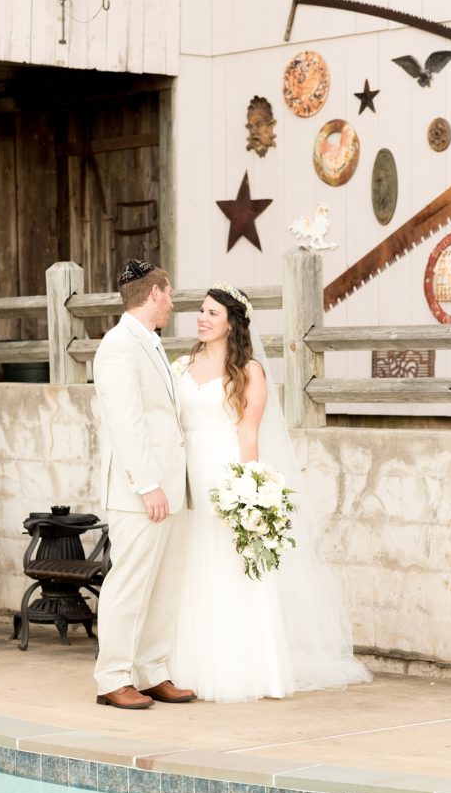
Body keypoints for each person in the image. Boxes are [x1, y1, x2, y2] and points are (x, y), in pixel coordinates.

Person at [169, 282, 371, 702]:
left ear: (231, 324)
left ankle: (244, 669)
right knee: (190, 567)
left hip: (223, 475)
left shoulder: (250, 372)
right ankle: (185, 666)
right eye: (201, 311)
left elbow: (247, 433)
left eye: (212, 314)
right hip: (185, 474)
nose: (202, 319)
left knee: (230, 568)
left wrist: (248, 493)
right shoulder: (182, 366)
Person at [92, 259, 196, 710]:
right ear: (154, 293)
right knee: (128, 585)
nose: (172, 303)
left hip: (171, 489)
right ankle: (112, 678)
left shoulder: (149, 343)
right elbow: (126, 422)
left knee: (162, 586)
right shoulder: (117, 345)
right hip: (141, 493)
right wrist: (149, 484)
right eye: (169, 294)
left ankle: (152, 672)